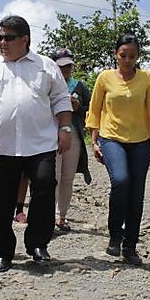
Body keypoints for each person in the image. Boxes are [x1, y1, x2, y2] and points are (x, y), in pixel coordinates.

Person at [0, 15, 72, 273]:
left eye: (9, 37)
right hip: (0, 145)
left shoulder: (46, 66)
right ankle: (3, 251)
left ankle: (37, 244)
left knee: (46, 186)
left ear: (24, 39)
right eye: (0, 37)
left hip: (41, 143)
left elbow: (61, 99)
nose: (3, 42)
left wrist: (65, 128)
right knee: (0, 200)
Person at [86, 34, 150, 266]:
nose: (128, 60)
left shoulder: (146, 78)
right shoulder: (105, 78)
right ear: (116, 55)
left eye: (132, 56)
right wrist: (94, 140)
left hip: (140, 140)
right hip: (111, 138)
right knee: (121, 181)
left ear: (138, 56)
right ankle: (114, 234)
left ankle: (130, 246)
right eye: (123, 55)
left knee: (136, 193)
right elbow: (95, 109)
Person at [49, 48, 92, 231]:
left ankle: (62, 216)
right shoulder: (48, 83)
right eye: (62, 66)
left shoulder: (79, 86)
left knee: (67, 177)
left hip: (73, 134)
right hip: (50, 134)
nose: (65, 70)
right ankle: (48, 216)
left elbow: (90, 110)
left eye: (68, 66)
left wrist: (77, 106)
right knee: (52, 177)